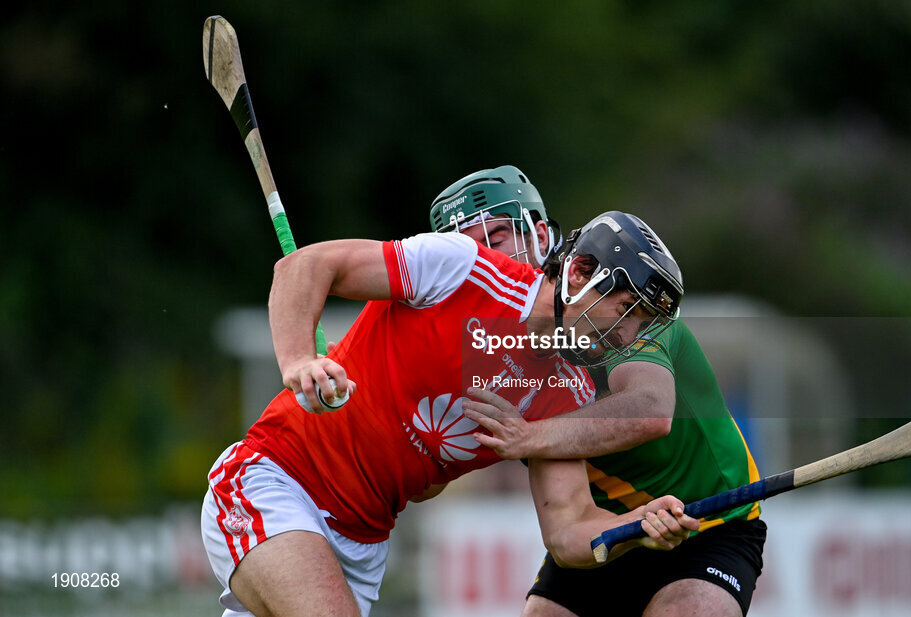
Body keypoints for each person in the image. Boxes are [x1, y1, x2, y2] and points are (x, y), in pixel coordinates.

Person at [200, 166, 697, 617]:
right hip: (275, 482)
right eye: (627, 310)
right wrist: (299, 360)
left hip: (361, 544)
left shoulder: (568, 392)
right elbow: (303, 268)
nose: (627, 337)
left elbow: (568, 531)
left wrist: (636, 526)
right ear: (580, 274)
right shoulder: (462, 267)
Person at [433, 166, 767, 617]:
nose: (482, 256)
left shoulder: (623, 304)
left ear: (539, 233)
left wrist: (528, 437)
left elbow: (650, 410)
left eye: (496, 237)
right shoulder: (486, 340)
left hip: (706, 523)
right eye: (466, 245)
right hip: (605, 521)